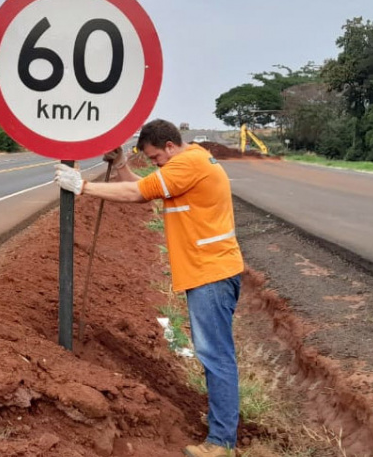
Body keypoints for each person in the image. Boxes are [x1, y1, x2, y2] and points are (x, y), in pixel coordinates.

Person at [54, 119, 244, 457]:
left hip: (211, 274)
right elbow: (147, 191)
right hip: (208, 271)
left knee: (216, 357)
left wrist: (82, 186)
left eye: (156, 158)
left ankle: (221, 443)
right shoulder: (190, 161)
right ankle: (221, 428)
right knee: (215, 354)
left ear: (170, 146)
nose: (155, 163)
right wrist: (121, 164)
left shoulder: (189, 163)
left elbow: (136, 192)